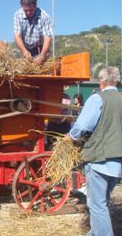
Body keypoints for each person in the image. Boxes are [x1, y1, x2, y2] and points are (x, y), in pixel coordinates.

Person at [69, 67, 122, 236]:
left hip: (98, 159)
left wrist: (71, 137)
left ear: (101, 82)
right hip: (117, 161)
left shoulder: (96, 98)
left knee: (97, 205)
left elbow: (83, 126)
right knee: (103, 202)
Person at [14, 0, 53, 65]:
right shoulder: (18, 15)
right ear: (22, 6)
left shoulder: (45, 16)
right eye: (25, 10)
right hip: (24, 47)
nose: (28, 13)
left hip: (40, 48)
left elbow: (47, 38)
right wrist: (24, 52)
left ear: (35, 6)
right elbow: (17, 36)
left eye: (31, 10)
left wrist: (42, 55)